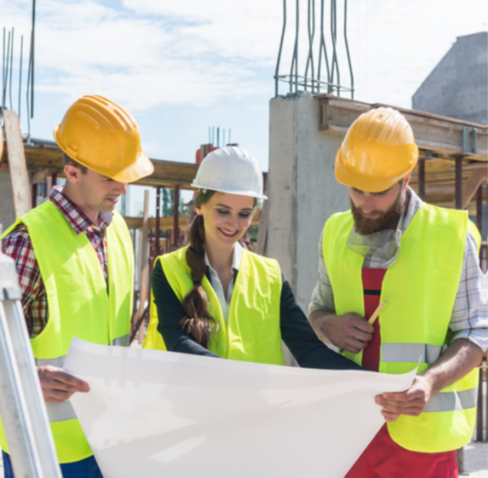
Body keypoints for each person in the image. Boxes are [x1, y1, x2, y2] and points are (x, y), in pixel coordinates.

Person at [308, 107, 487, 477]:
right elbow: (318, 309)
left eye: (378, 192)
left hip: (422, 441)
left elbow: (478, 332)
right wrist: (329, 324)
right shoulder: (334, 231)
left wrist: (430, 382)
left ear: (405, 179)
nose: (365, 203)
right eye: (356, 189)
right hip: (349, 433)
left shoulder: (451, 237)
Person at [1, 95, 154, 477]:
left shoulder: (116, 229)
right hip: (45, 449)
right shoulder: (27, 241)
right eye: (108, 176)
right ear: (72, 172)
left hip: (110, 438)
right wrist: (26, 380)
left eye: (125, 174)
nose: (121, 187)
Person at [144, 146, 360, 372]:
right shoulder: (168, 270)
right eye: (223, 211)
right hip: (190, 405)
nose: (233, 224)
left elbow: (308, 349)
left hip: (258, 407)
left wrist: (372, 382)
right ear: (199, 205)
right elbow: (178, 344)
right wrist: (242, 378)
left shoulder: (271, 276)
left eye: (244, 214)